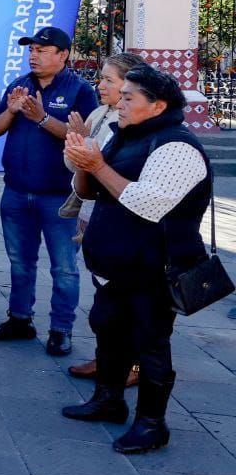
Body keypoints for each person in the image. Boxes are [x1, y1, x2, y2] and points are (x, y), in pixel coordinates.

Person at [62, 65, 212, 454]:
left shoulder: (177, 147)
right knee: (108, 329)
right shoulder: (124, 136)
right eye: (121, 94)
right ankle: (108, 400)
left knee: (150, 344)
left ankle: (151, 423)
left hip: (155, 270)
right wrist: (83, 165)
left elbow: (147, 204)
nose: (119, 102)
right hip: (116, 268)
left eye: (129, 97)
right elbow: (91, 192)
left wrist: (96, 166)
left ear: (158, 105)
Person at [0, 26, 98, 355]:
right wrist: (11, 110)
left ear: (63, 55)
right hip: (17, 191)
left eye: (42, 50)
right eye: (31, 49)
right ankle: (20, 318)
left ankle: (61, 328)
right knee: (20, 262)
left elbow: (87, 141)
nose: (33, 55)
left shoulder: (79, 91)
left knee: (64, 266)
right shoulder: (19, 85)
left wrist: (42, 117)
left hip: (60, 197)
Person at [63, 53, 146, 383]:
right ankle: (107, 358)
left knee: (132, 298)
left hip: (124, 222)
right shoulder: (99, 114)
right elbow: (75, 166)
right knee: (104, 295)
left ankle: (135, 364)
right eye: (102, 79)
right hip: (94, 214)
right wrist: (78, 142)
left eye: (109, 80)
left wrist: (91, 159)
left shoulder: (136, 124)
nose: (101, 85)